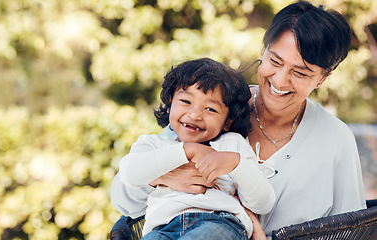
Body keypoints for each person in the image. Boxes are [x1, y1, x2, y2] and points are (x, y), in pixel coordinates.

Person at [111, 1, 366, 239]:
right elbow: (125, 199)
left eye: (300, 72)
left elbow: (354, 230)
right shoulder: (216, 109)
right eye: (274, 61)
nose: (279, 80)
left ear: (323, 77)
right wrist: (163, 176)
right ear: (263, 50)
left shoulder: (335, 139)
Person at [115, 57, 275, 240]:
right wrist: (187, 150)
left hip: (218, 223)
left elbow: (263, 203)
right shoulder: (153, 145)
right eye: (185, 101)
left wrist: (236, 164)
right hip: (161, 229)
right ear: (169, 103)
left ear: (228, 120)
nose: (195, 114)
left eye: (210, 109)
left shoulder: (232, 145)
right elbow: (129, 173)